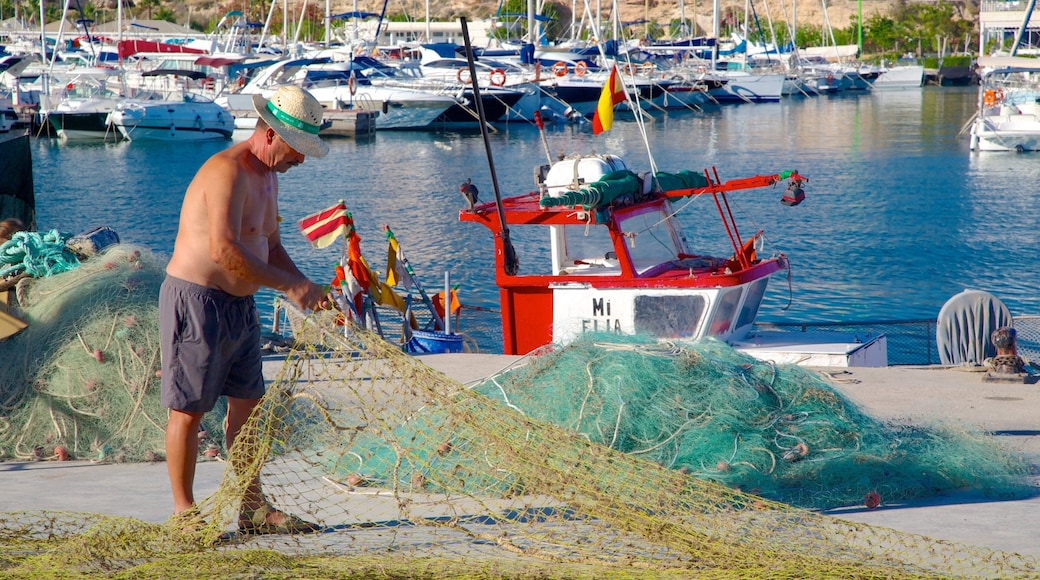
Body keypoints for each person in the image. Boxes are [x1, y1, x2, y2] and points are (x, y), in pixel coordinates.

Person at [160, 85, 330, 534]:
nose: (302, 160)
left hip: (241, 306)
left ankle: (253, 510)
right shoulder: (227, 172)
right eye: (299, 149)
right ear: (271, 135)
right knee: (188, 410)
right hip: (198, 301)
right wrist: (291, 286)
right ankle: (185, 515)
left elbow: (269, 244)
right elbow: (224, 251)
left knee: (250, 409)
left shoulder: (269, 175)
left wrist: (305, 285)